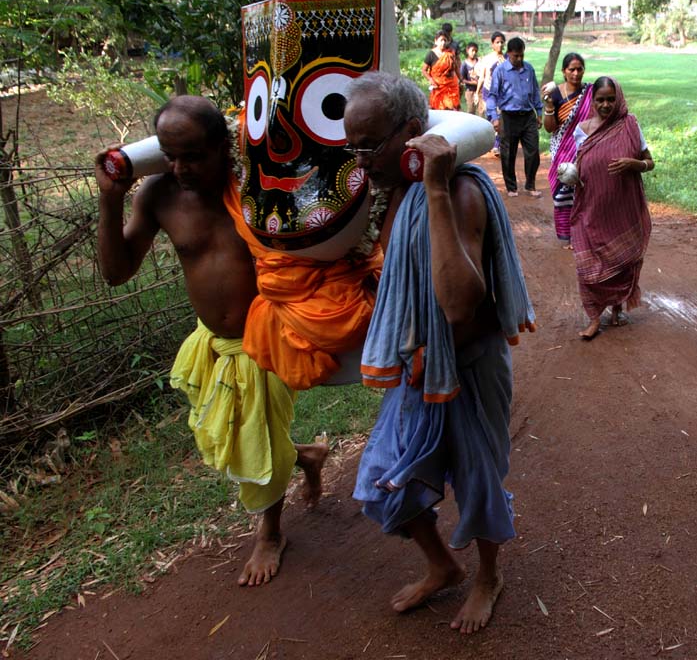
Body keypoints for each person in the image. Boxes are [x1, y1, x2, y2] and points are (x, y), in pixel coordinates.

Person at [95, 96, 327, 586]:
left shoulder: (260, 188)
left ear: (225, 147)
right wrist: (110, 198)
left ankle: (270, 534)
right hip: (212, 342)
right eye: (170, 156)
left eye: (194, 156)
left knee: (252, 438)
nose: (180, 168)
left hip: (266, 336)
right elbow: (116, 273)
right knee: (241, 433)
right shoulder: (157, 196)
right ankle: (305, 456)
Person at [345, 73, 535, 634]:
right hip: (419, 373)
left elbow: (457, 305)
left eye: (369, 145)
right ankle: (441, 566)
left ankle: (487, 577)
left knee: (479, 483)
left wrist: (433, 189)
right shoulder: (391, 193)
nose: (360, 161)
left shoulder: (461, 192)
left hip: (470, 368)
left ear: (410, 134)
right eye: (351, 146)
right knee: (382, 480)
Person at [570, 76, 654, 340]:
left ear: (618, 99)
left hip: (622, 209)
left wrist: (635, 164)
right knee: (588, 265)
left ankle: (617, 308)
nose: (606, 105)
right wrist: (569, 175)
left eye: (610, 99)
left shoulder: (629, 124)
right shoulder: (582, 130)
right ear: (592, 101)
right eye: (600, 100)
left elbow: (650, 161)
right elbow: (578, 166)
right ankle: (594, 317)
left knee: (622, 261)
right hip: (591, 207)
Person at [542, 52, 591, 248]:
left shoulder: (590, 93)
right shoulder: (555, 94)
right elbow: (550, 128)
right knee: (563, 192)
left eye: (580, 69)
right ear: (564, 72)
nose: (576, 73)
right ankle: (566, 236)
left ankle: (583, 234)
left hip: (585, 149)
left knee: (584, 192)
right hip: (562, 149)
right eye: (572, 69)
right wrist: (548, 106)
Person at [489, 36, 542, 197]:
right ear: (509, 54)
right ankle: (511, 187)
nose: (519, 59)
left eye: (521, 56)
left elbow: (535, 92)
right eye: (515, 56)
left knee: (533, 151)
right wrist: (494, 117)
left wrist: (539, 112)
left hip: (527, 116)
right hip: (508, 116)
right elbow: (492, 95)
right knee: (508, 153)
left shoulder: (529, 69)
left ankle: (530, 185)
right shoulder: (500, 70)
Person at [476, 31, 506, 156]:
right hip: (488, 92)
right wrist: (477, 93)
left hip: (502, 93)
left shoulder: (506, 59)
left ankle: (496, 145)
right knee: (490, 118)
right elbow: (482, 77)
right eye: (497, 42)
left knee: (499, 118)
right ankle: (489, 142)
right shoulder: (487, 59)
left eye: (501, 42)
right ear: (492, 44)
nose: (499, 45)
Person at [421, 30, 460, 110]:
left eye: (445, 40)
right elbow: (424, 70)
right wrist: (431, 80)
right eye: (441, 40)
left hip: (450, 86)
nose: (443, 43)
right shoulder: (431, 54)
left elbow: (455, 68)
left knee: (452, 108)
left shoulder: (449, 54)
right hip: (438, 86)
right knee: (439, 108)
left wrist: (461, 79)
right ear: (436, 41)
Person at [460, 41, 481, 115]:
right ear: (467, 50)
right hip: (470, 91)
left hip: (480, 90)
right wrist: (472, 83)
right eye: (472, 50)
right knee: (471, 110)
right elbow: (462, 79)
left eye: (475, 51)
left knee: (481, 110)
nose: (474, 53)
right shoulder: (464, 64)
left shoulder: (479, 62)